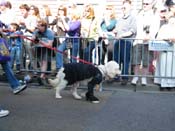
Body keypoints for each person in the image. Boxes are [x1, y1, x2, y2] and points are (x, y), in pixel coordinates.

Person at [131, 0, 160, 86]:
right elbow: (136, 26)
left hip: (148, 41)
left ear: (151, 5)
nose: (145, 5)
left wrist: (150, 36)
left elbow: (155, 28)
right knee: (136, 60)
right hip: (138, 40)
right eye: (143, 4)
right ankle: (135, 77)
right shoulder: (139, 14)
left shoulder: (155, 15)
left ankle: (144, 78)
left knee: (146, 60)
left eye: (147, 4)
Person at [113, 0, 137, 85]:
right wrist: (115, 31)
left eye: (125, 7)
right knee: (116, 60)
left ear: (130, 7)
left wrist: (122, 35)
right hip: (117, 41)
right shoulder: (120, 18)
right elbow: (117, 29)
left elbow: (132, 31)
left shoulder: (132, 18)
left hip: (126, 42)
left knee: (125, 60)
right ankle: (116, 76)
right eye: (122, 7)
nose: (123, 9)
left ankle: (125, 77)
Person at [154, 16, 175, 90]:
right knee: (163, 66)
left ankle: (171, 84)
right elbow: (159, 37)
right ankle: (162, 83)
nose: (172, 23)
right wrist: (167, 38)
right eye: (171, 21)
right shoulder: (164, 27)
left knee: (172, 67)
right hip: (164, 49)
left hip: (173, 50)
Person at [32, 19, 54, 85]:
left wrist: (40, 41)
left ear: (44, 26)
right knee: (40, 61)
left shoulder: (49, 32)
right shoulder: (36, 31)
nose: (38, 27)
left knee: (44, 61)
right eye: (37, 26)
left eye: (39, 26)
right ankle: (43, 75)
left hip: (46, 48)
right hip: (38, 48)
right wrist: (33, 39)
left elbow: (50, 45)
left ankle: (42, 75)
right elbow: (33, 39)